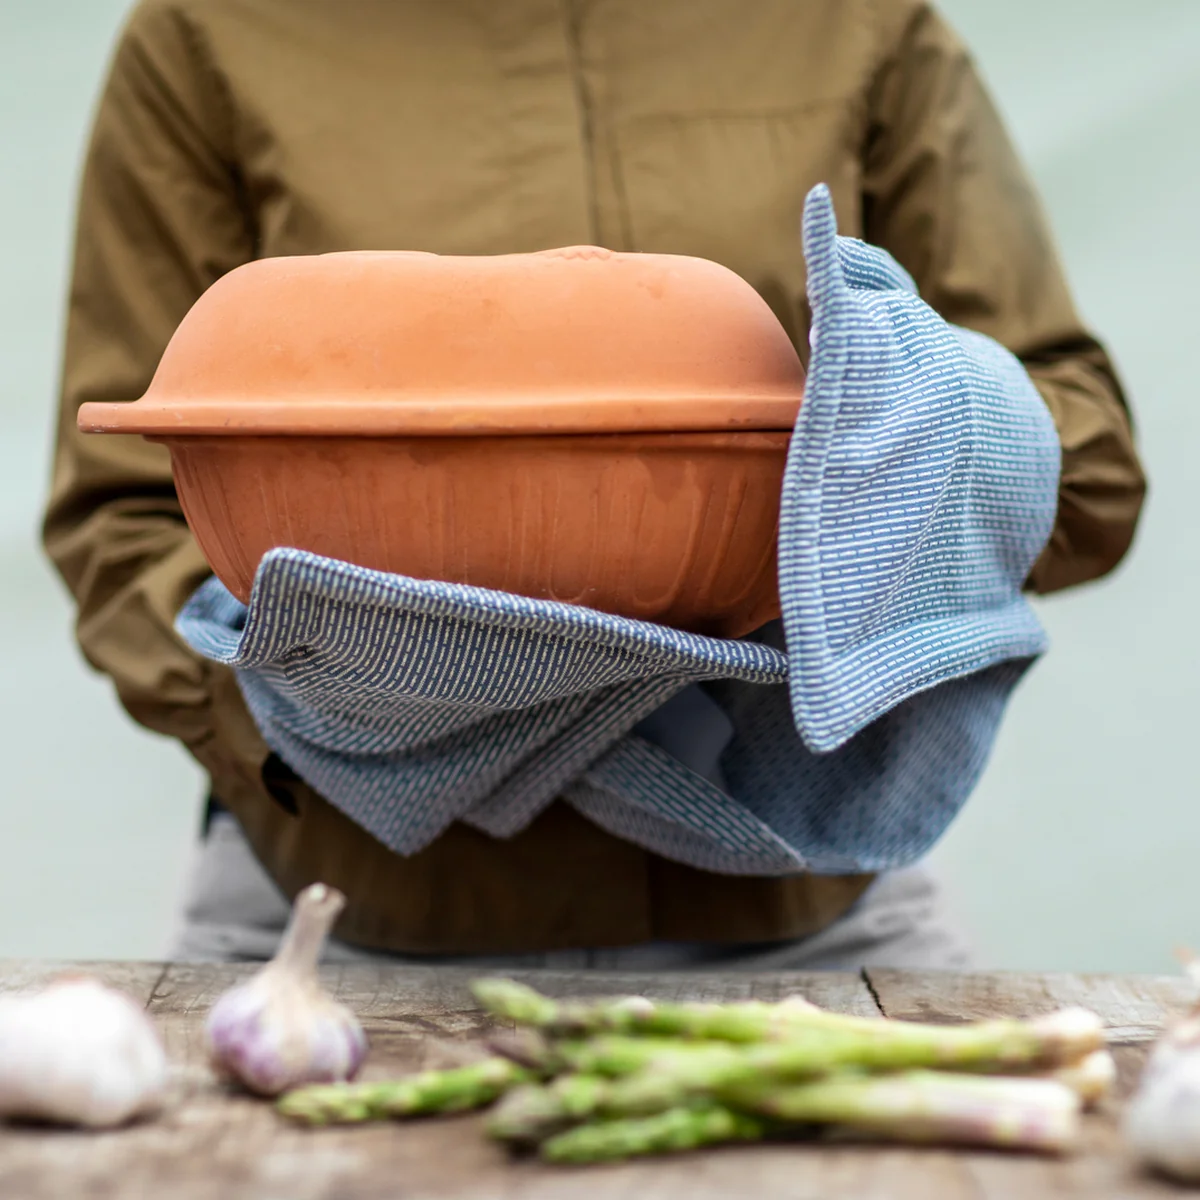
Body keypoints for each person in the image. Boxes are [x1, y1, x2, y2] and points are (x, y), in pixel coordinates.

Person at [43, 0, 1146, 969]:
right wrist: (314, 729)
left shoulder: (853, 18)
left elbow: (1082, 455)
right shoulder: (209, 29)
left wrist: (878, 469)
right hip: (337, 915)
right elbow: (121, 509)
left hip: (811, 910)